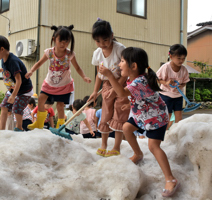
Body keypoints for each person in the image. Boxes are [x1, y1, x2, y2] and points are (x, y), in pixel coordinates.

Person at [98, 47, 179, 197]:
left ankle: (170, 178)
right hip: (141, 114)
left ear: (133, 66)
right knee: (127, 127)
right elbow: (142, 95)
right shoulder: (135, 79)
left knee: (153, 146)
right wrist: (130, 104)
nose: (119, 64)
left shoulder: (140, 81)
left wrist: (109, 75)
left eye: (122, 61)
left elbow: (122, 92)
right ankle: (138, 154)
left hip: (156, 118)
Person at [25, 25, 91, 130]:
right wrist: (31, 71)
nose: (63, 44)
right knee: (41, 99)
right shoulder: (49, 52)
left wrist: (84, 77)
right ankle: (39, 123)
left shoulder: (70, 54)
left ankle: (60, 128)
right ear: (54, 39)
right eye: (61, 41)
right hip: (49, 83)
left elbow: (77, 67)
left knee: (60, 106)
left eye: (66, 41)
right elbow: (39, 63)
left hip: (64, 85)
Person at [88, 18, 130, 157]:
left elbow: (126, 71)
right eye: (98, 41)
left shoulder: (120, 49)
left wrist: (116, 86)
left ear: (112, 35)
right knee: (105, 114)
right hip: (106, 85)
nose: (102, 44)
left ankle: (116, 147)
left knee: (119, 115)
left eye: (105, 40)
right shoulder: (97, 53)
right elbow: (99, 74)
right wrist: (95, 91)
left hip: (121, 83)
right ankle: (103, 144)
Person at [0, 35, 34, 132]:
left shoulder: (13, 61)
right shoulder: (4, 59)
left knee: (16, 108)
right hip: (13, 89)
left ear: (2, 49)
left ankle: (19, 127)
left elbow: (19, 80)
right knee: (4, 107)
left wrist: (13, 95)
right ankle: (2, 130)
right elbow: (7, 69)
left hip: (24, 90)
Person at [156, 44, 189, 130]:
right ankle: (164, 136)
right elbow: (157, 79)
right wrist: (166, 82)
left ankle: (177, 135)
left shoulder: (184, 69)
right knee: (167, 117)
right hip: (165, 96)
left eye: (183, 58)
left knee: (179, 119)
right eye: (179, 58)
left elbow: (185, 82)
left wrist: (182, 85)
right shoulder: (165, 67)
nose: (181, 60)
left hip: (178, 96)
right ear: (171, 56)